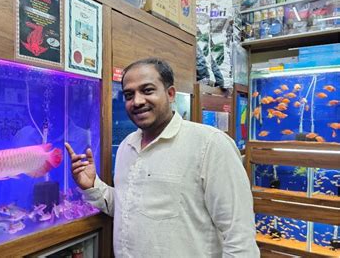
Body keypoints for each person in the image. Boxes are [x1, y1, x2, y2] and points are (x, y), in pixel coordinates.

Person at [65, 58, 259, 257]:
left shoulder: (210, 144)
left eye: (147, 90)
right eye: (129, 95)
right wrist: (93, 186)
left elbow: (240, 238)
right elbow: (128, 207)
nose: (137, 101)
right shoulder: (127, 146)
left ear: (170, 93)